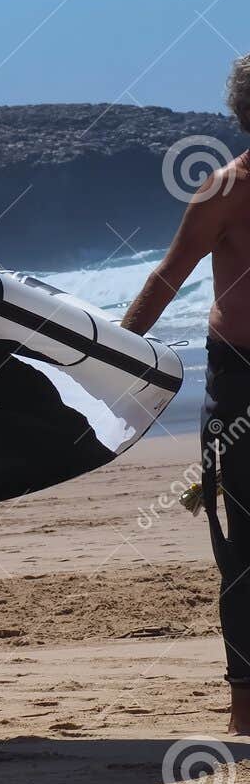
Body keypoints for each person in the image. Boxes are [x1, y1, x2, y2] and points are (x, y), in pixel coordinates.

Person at [122, 55, 250, 734]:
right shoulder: (227, 190)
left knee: (242, 548)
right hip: (239, 382)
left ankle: (244, 710)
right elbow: (168, 280)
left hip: (235, 380)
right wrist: (109, 361)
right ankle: (245, 706)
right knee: (241, 544)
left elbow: (165, 280)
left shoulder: (225, 189)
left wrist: (109, 359)